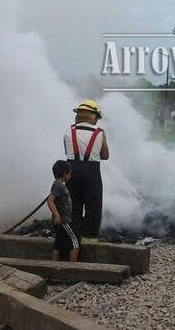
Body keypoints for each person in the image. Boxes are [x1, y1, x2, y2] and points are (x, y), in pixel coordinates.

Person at [64, 99, 110, 242]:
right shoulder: (100, 133)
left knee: (73, 206)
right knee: (93, 207)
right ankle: (90, 239)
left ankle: (72, 240)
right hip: (92, 173)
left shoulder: (68, 132)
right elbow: (105, 156)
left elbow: (67, 152)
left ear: (79, 115)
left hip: (71, 172)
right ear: (94, 116)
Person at [47, 160, 80, 262]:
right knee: (75, 242)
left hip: (61, 221)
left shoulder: (58, 185)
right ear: (65, 173)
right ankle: (72, 269)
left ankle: (54, 266)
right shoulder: (58, 186)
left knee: (58, 244)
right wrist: (57, 215)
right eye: (69, 173)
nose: (70, 175)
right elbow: (50, 200)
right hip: (64, 221)